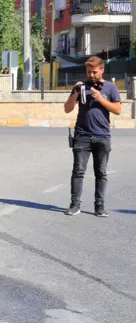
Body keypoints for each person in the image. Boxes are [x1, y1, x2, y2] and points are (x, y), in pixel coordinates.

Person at [63, 56, 122, 217]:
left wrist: (100, 98)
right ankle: (75, 205)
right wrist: (75, 93)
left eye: (94, 72)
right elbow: (67, 109)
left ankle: (99, 206)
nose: (91, 75)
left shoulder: (110, 88)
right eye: (89, 72)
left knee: (101, 173)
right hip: (82, 135)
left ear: (102, 70)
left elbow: (117, 110)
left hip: (102, 136)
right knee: (78, 171)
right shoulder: (80, 87)